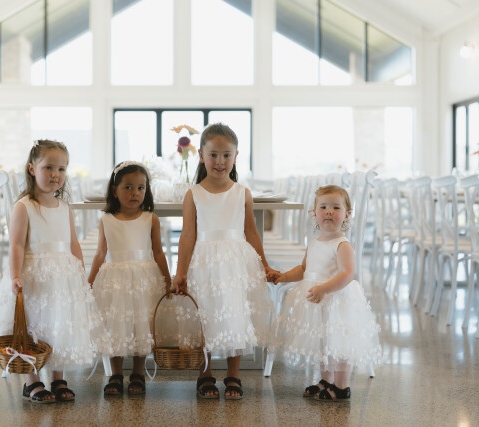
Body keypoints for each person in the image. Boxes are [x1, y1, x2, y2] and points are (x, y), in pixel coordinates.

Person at [0, 139, 110, 404]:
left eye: (61, 169)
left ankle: (58, 378)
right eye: (49, 167)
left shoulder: (65, 208)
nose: (55, 174)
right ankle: (32, 381)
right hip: (34, 276)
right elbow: (16, 245)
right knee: (33, 328)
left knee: (58, 325)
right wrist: (15, 275)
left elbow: (73, 243)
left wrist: (80, 273)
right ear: (32, 168)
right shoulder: (24, 206)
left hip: (63, 278)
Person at [172, 123, 278, 400]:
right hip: (204, 262)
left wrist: (264, 265)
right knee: (205, 315)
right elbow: (187, 235)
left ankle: (233, 374)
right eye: (213, 155)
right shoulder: (193, 194)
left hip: (236, 263)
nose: (220, 161)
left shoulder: (242, 193)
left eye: (226, 155)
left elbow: (251, 232)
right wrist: (180, 272)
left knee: (235, 314)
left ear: (236, 156)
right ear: (201, 156)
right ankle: (205, 373)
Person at [273, 185, 382, 401]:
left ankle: (341, 386)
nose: (329, 211)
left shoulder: (342, 245)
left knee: (339, 343)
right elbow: (304, 269)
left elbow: (347, 274)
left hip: (336, 300)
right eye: (323, 207)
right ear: (314, 213)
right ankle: (326, 379)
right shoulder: (314, 242)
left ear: (347, 215)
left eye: (336, 207)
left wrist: (324, 289)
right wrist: (284, 276)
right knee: (323, 342)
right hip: (317, 300)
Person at [88, 161, 172, 397]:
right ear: (115, 191)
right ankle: (116, 373)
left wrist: (167, 279)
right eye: (128, 187)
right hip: (115, 280)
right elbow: (100, 253)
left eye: (140, 188)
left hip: (144, 279)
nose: (135, 193)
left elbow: (158, 252)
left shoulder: (150, 219)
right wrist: (90, 282)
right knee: (115, 325)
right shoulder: (107, 220)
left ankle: (137, 372)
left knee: (140, 324)